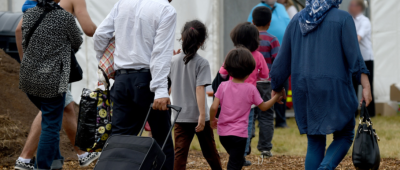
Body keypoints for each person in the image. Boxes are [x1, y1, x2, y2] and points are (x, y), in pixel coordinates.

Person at [269, 0, 372, 169]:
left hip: (304, 89)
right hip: (335, 87)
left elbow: (282, 59)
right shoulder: (344, 19)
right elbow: (355, 57)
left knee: (315, 140)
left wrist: (276, 86)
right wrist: (366, 86)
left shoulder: (297, 20)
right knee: (345, 134)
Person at [14, 0, 98, 169]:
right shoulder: (64, 17)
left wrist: (26, 62)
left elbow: (18, 31)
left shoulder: (30, 14)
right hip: (53, 78)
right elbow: (77, 41)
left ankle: (56, 160)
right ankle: (41, 165)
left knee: (53, 114)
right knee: (51, 125)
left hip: (29, 78)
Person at [93, 0, 177, 169]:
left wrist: (105, 61)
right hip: (148, 80)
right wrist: (161, 90)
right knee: (162, 140)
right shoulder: (166, 9)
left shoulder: (122, 3)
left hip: (121, 80)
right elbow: (161, 52)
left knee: (119, 140)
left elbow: (100, 35)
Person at [210, 46, 283, 170]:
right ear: (250, 71)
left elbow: (213, 107)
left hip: (223, 135)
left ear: (227, 68)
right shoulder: (251, 89)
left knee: (235, 159)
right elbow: (264, 107)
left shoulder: (222, 86)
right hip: (240, 135)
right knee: (234, 163)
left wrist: (213, 119)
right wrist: (276, 98)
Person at [169, 20, 222, 170]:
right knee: (210, 152)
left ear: (182, 37)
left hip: (180, 116)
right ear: (202, 42)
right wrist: (202, 115)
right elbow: (200, 89)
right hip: (200, 117)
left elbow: (168, 87)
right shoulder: (202, 63)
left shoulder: (172, 61)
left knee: (179, 155)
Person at [218, 22, 269, 166]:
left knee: (231, 121)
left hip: (230, 97)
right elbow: (265, 75)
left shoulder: (232, 54)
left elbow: (222, 73)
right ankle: (242, 155)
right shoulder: (258, 56)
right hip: (249, 99)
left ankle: (237, 153)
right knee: (246, 126)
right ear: (255, 39)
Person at [248, 0, 291, 128]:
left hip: (263, 74)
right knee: (276, 92)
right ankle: (265, 124)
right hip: (269, 73)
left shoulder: (282, 8)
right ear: (269, 22)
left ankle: (280, 120)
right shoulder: (271, 39)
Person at [251, 6, 281, 159]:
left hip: (248, 83)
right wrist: (279, 86)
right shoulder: (273, 40)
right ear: (269, 23)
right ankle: (265, 149)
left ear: (253, 21)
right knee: (267, 116)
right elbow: (278, 64)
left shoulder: (248, 39)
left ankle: (246, 143)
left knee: (248, 114)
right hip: (267, 84)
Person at [349, 0, 375, 117]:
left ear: (359, 7)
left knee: (368, 86)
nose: (350, 7)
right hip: (354, 59)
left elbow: (357, 38)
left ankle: (368, 113)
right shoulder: (349, 21)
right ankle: (353, 112)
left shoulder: (365, 21)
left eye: (353, 5)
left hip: (366, 59)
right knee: (352, 86)